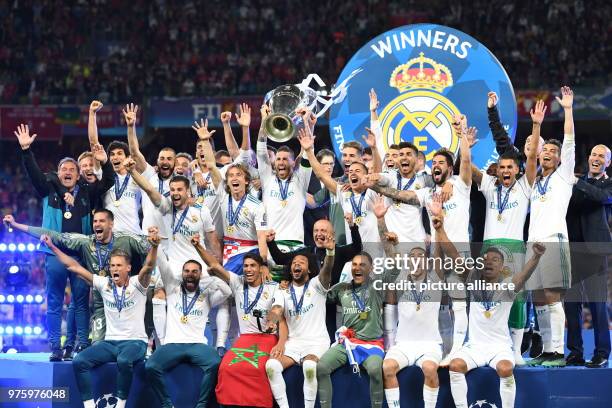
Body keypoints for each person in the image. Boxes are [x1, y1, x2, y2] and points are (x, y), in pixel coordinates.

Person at [366, 114, 472, 364]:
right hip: (436, 251)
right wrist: (373, 184)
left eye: (441, 162)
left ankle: (455, 349)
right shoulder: (427, 192)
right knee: (439, 300)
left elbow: (466, 159)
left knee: (456, 300)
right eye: (434, 162)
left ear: (450, 167)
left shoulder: (460, 184)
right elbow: (402, 194)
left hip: (458, 249)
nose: (436, 165)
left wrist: (463, 135)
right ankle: (442, 349)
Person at [14, 123, 114, 361]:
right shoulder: (48, 189)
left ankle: (81, 346)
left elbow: (108, 181)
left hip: (80, 256)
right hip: (54, 254)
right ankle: (55, 348)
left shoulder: (87, 193)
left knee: (81, 304)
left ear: (78, 175)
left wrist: (105, 161)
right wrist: (26, 151)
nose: (68, 172)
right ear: (58, 174)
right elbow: (34, 172)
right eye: (63, 169)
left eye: (72, 169)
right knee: (55, 303)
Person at [40, 227, 159, 408]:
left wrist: (154, 247)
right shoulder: (104, 284)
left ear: (128, 268)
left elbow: (149, 266)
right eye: (112, 265)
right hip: (110, 343)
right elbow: (73, 266)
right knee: (79, 361)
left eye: (119, 265)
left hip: (135, 342)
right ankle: (88, 405)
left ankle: (120, 405)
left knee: (124, 360)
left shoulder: (137, 283)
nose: (114, 269)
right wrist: (52, 247)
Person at [3, 209, 152, 344]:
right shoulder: (86, 242)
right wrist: (16, 225)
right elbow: (55, 235)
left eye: (101, 221)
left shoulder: (126, 239)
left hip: (128, 300)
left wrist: (154, 240)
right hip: (101, 302)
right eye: (94, 221)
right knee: (98, 347)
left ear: (111, 224)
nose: (96, 224)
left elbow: (151, 247)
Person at [471, 100, 542, 364]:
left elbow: (533, 156)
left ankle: (515, 350)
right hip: (490, 246)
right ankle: (484, 342)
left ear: (517, 170)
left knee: (518, 298)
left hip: (513, 246)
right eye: (502, 167)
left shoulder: (525, 186)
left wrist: (535, 125)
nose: (505, 171)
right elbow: (470, 171)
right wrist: (463, 144)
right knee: (485, 295)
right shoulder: (490, 185)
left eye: (510, 167)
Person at [317, 202, 400, 408]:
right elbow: (322, 287)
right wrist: (329, 255)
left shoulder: (377, 285)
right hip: (347, 344)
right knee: (321, 367)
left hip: (372, 345)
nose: (357, 268)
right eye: (354, 265)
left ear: (371, 268)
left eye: (362, 265)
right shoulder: (342, 288)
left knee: (374, 370)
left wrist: (390, 245)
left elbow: (396, 266)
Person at [448, 241, 546, 408]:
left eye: (495, 260)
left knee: (506, 369)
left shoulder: (508, 285)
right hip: (475, 347)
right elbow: (454, 257)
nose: (489, 262)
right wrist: (440, 228)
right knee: (455, 366)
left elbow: (524, 275)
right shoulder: (473, 280)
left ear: (501, 267)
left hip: (500, 347)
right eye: (486, 259)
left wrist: (536, 256)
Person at [191, 236, 282, 408]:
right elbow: (216, 266)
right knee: (225, 368)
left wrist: (272, 321)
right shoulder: (238, 283)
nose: (248, 269)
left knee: (258, 369)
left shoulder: (273, 287)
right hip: (245, 339)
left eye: (252, 266)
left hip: (267, 338)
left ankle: (261, 404)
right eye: (246, 266)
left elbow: (277, 308)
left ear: (261, 269)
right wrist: (198, 247)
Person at [524, 86, 577, 367]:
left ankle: (558, 352)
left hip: (554, 239)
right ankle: (546, 350)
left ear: (559, 159)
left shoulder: (564, 177)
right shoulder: (535, 182)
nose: (547, 153)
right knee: (538, 299)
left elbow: (569, 141)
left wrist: (567, 110)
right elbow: (530, 155)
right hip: (533, 243)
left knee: (553, 296)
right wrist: (536, 127)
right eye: (545, 149)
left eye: (552, 151)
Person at [382, 196, 446, 408]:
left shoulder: (435, 279)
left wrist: (437, 224)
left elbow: (437, 253)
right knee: (387, 368)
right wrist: (381, 221)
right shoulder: (400, 278)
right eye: (413, 256)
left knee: (429, 369)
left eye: (421, 256)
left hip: (430, 345)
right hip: (404, 344)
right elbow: (390, 252)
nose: (416, 259)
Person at [145, 251, 231, 408]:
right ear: (181, 273)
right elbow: (163, 265)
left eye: (194, 271)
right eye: (187, 271)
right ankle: (166, 404)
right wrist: (156, 245)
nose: (190, 274)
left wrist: (210, 278)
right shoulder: (172, 289)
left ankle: (201, 404)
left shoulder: (207, 296)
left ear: (200, 275)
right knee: (150, 367)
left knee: (215, 364)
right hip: (173, 344)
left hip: (197, 344)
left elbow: (227, 291)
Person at [266, 236, 335, 408]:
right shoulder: (282, 290)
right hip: (293, 343)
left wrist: (330, 252)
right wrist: (272, 322)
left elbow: (327, 269)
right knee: (271, 366)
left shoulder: (316, 285)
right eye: (294, 262)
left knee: (310, 367)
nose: (297, 264)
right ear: (290, 269)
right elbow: (276, 309)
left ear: (310, 269)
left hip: (316, 342)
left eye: (302, 262)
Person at [565, 144, 612, 368]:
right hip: (572, 249)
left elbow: (601, 197)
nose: (596, 158)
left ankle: (602, 352)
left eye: (602, 156)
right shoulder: (574, 182)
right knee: (571, 304)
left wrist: (578, 183)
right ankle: (575, 352)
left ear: (608, 163)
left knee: (598, 305)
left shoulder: (607, 184)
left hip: (596, 251)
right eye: (594, 154)